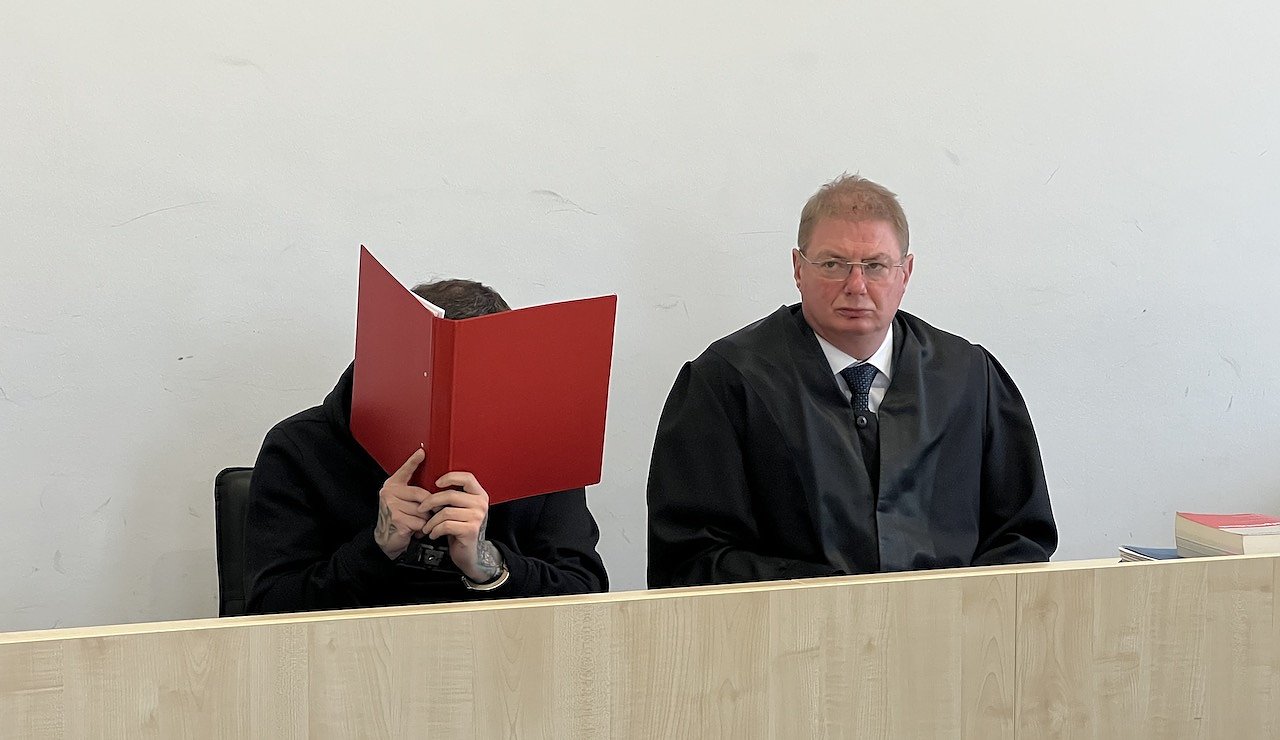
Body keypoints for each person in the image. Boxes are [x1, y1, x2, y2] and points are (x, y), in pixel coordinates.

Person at [646, 174, 1057, 588]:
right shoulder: (727, 383)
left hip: (951, 623)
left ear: (905, 273)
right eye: (833, 264)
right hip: (791, 624)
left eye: (875, 266)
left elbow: (1021, 536)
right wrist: (832, 597)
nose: (856, 286)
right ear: (798, 269)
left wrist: (957, 606)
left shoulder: (970, 379)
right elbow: (690, 559)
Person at [246, 279, 608, 613]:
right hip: (351, 655)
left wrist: (487, 563)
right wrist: (377, 547)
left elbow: (585, 595)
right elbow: (267, 610)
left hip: (499, 653)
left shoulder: (542, 447)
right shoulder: (299, 448)